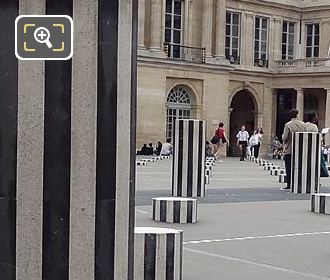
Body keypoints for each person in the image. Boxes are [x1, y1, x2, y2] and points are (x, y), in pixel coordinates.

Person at [282, 109, 307, 190]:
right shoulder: (303, 124)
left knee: (289, 167)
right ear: (297, 115)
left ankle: (289, 184)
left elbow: (285, 137)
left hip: (289, 149)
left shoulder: (288, 125)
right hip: (300, 149)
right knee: (299, 167)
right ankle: (299, 183)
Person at [306, 112, 329, 177]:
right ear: (313, 118)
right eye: (316, 117)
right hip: (314, 146)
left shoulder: (305, 125)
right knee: (320, 160)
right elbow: (317, 138)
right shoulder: (314, 126)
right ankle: (323, 172)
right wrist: (322, 135)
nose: (317, 118)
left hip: (307, 146)